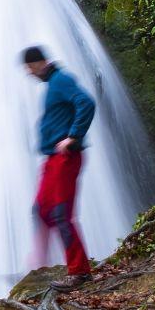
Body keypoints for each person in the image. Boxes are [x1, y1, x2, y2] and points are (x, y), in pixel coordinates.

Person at [22, 46, 96, 291]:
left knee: (61, 215)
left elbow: (86, 103)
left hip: (65, 158)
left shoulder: (61, 80)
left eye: (30, 68)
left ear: (41, 63)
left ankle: (79, 271)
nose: (29, 73)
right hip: (52, 160)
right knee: (41, 209)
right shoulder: (52, 84)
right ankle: (39, 264)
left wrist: (73, 136)